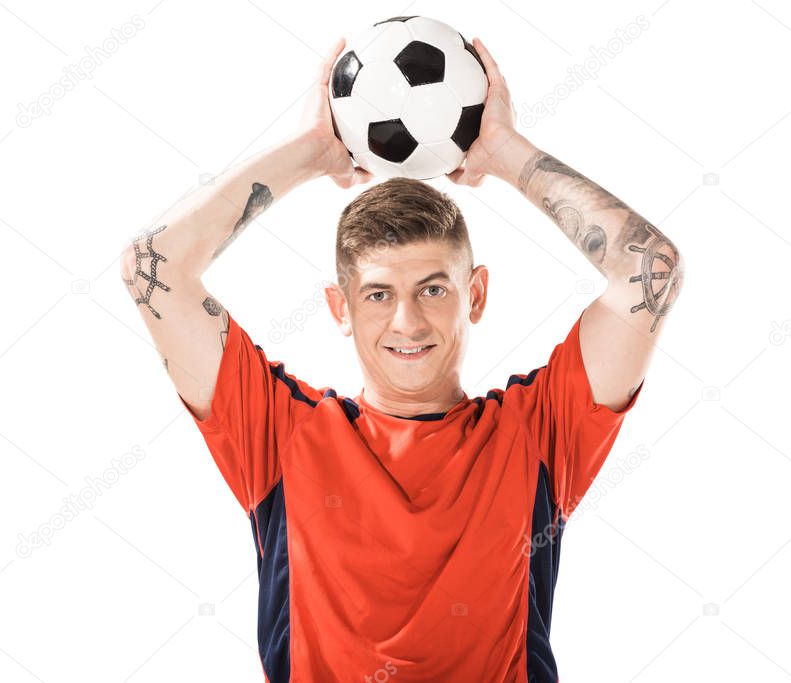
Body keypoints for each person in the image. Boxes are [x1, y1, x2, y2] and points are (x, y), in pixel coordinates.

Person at [120, 35, 682, 683]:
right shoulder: (280, 432)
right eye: (378, 294)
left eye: (433, 289)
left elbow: (649, 268)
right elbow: (151, 270)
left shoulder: (534, 432)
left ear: (474, 294)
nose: (407, 321)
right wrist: (311, 153)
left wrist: (504, 153)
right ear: (339, 307)